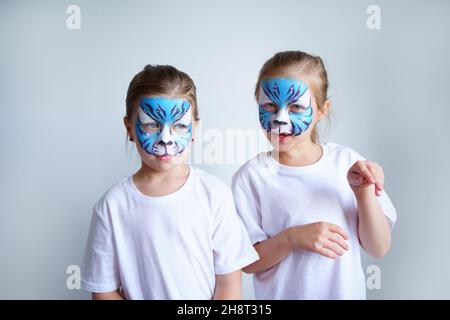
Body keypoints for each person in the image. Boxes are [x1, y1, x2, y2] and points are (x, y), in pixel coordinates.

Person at [81, 64, 259, 300]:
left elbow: (229, 285)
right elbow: (103, 291)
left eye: (179, 126)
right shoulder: (112, 206)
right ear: (129, 128)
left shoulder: (214, 194)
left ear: (195, 129)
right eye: (152, 125)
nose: (166, 138)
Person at [232, 51, 397, 299]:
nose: (280, 119)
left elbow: (379, 247)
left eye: (297, 107)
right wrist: (291, 238)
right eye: (269, 105)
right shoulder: (251, 177)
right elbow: (246, 262)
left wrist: (363, 193)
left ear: (321, 110)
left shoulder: (348, 164)